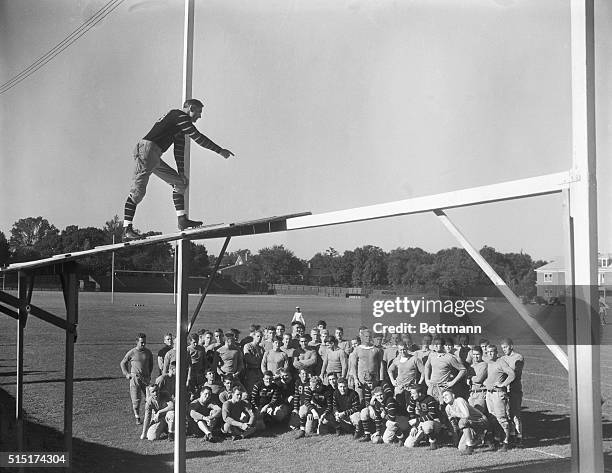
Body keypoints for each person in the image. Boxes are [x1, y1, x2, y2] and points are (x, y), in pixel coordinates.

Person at [121, 99, 234, 240]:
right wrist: (220, 150)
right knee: (138, 192)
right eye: (198, 112)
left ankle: (182, 220)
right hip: (147, 150)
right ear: (191, 108)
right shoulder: (179, 116)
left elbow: (178, 149)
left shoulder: (180, 125)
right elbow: (197, 137)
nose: (199, 117)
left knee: (180, 182)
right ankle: (127, 229)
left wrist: (181, 172)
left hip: (154, 154)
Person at [484, 345, 515, 451]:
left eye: (492, 352)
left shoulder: (500, 362)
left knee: (502, 418)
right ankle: (498, 439)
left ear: (496, 352)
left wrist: (503, 384)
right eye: (488, 352)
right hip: (489, 394)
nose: (490, 354)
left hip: (498, 394)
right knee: (493, 418)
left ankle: (506, 442)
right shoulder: (488, 362)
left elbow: (512, 374)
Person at [120, 333, 153, 424]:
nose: (143, 344)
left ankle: (150, 417)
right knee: (136, 400)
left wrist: (149, 375)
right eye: (142, 342)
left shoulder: (148, 352)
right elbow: (123, 363)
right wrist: (126, 374)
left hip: (146, 379)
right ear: (137, 342)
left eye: (145, 342)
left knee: (150, 398)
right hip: (135, 379)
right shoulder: (132, 352)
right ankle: (137, 417)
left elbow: (151, 364)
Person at [442, 389, 488, 455]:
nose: (445, 398)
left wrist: (455, 414)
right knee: (461, 448)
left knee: (462, 422)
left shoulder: (459, 400)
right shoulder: (447, 408)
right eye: (443, 397)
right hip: (469, 425)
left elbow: (466, 415)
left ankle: (470, 447)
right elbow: (453, 425)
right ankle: (481, 437)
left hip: (480, 420)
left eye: (446, 395)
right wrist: (456, 439)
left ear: (453, 395)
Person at [424, 337, 466, 406]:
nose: (436, 346)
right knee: (430, 409)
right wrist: (426, 379)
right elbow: (427, 366)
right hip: (431, 388)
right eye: (435, 344)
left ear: (443, 345)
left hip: (443, 389)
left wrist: (452, 382)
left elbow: (463, 370)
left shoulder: (449, 357)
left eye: (438, 344)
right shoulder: (432, 355)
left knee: (442, 411)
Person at [500, 338, 524, 445]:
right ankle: (512, 434)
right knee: (507, 413)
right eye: (502, 348)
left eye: (505, 347)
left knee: (515, 413)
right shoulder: (502, 358)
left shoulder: (518, 357)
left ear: (511, 346)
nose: (504, 350)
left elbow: (515, 373)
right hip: (506, 389)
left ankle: (519, 436)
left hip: (515, 389)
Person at [405, 384, 443, 450]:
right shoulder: (413, 399)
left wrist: (417, 420)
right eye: (411, 393)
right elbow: (411, 411)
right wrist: (414, 426)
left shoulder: (430, 399)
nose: (411, 395)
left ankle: (433, 442)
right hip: (421, 422)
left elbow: (432, 415)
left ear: (419, 394)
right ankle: (424, 437)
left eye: (413, 393)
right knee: (408, 444)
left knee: (427, 426)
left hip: (434, 422)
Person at [467, 346, 488, 413]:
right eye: (474, 354)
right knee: (471, 415)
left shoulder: (484, 365)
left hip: (480, 393)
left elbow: (479, 379)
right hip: (472, 393)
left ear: (481, 355)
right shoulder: (471, 366)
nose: (475, 356)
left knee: (479, 414)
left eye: (477, 354)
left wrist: (470, 377)